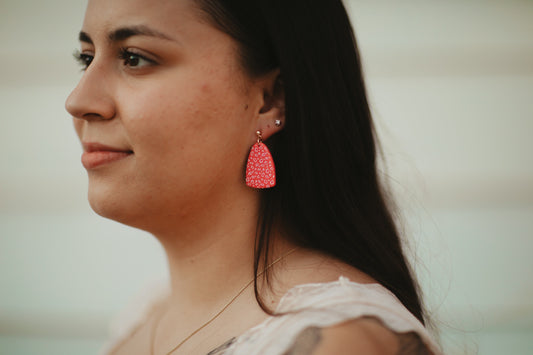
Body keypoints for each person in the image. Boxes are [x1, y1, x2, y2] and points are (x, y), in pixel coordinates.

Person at [65, 0, 442, 354]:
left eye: (134, 58)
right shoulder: (142, 318)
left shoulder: (338, 341)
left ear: (270, 100)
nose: (78, 101)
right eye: (87, 58)